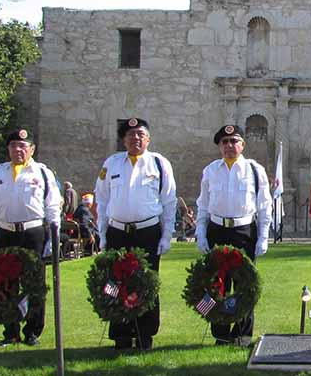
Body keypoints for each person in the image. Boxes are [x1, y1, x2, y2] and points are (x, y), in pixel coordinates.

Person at [94, 118, 177, 350]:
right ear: (123, 139)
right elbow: (102, 199)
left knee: (146, 284)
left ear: (148, 138)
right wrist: (102, 234)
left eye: (141, 134)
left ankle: (144, 335)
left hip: (147, 232)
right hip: (118, 232)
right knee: (114, 284)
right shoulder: (111, 164)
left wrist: (166, 235)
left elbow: (169, 202)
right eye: (131, 135)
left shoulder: (159, 164)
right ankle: (120, 335)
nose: (136, 138)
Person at [195, 124, 271, 346]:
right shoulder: (210, 171)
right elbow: (203, 205)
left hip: (244, 231)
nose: (229, 145)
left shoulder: (254, 170)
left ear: (242, 145)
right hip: (217, 230)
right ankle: (219, 332)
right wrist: (200, 233)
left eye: (234, 141)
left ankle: (242, 334)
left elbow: (264, 206)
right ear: (219, 146)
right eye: (224, 142)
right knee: (216, 285)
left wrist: (264, 236)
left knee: (244, 285)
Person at [0, 128, 62, 346]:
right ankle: (10, 331)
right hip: (6, 232)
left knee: (34, 284)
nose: (18, 150)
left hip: (33, 233)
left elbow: (52, 206)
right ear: (8, 149)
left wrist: (53, 237)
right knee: (5, 284)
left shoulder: (43, 173)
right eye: (13, 146)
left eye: (23, 146)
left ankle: (32, 331)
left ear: (32, 149)